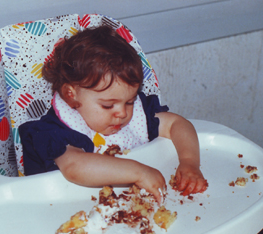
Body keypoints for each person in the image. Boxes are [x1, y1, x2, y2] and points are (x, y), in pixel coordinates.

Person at [19, 25, 208, 199]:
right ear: (71, 94)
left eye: (130, 101)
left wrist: (189, 162)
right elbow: (74, 167)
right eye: (108, 106)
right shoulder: (54, 132)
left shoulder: (134, 117)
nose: (122, 113)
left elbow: (177, 124)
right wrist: (138, 172)